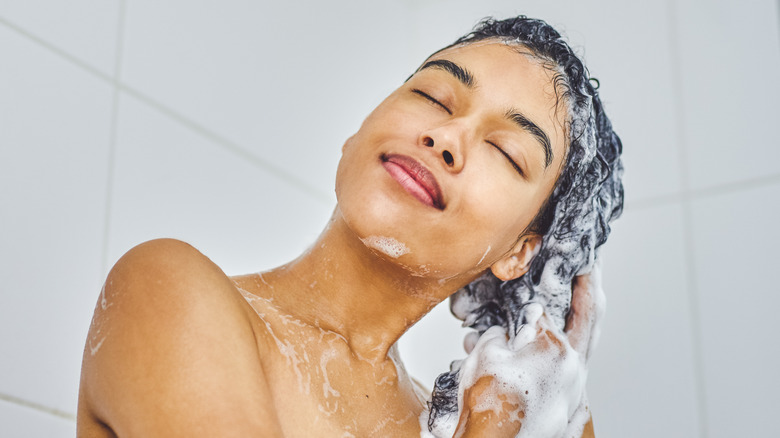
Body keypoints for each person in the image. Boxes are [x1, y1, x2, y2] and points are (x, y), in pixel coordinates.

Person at [77, 15, 622, 437]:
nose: (446, 137)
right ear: (359, 134)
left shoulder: (468, 423)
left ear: (519, 253)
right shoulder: (168, 291)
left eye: (505, 150)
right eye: (432, 97)